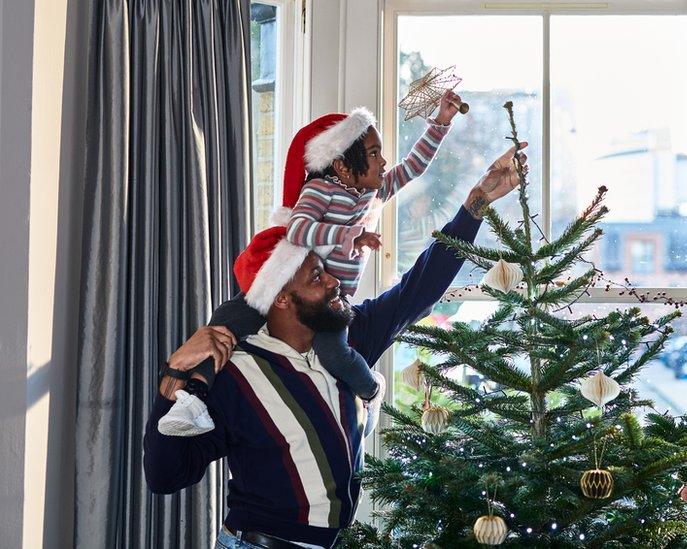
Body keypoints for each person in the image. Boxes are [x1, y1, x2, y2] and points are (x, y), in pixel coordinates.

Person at [144, 143, 528, 548]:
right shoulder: (235, 372)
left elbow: (422, 286)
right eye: (316, 277)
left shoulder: (350, 339)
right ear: (281, 298)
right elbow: (165, 475)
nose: (333, 283)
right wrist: (174, 376)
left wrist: (477, 202)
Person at [157, 95, 461, 436]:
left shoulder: (371, 193)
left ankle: (371, 392)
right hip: (286, 286)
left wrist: (441, 123)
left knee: (335, 354)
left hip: (330, 304)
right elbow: (299, 228)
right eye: (374, 154)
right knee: (226, 323)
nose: (383, 161)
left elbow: (413, 167)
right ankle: (191, 399)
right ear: (343, 166)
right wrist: (351, 236)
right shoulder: (321, 190)